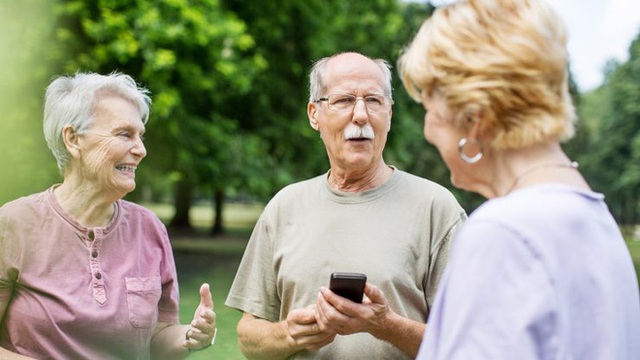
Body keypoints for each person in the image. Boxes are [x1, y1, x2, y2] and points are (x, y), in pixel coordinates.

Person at [397, 0, 640, 358]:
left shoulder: (504, 235)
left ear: (473, 117)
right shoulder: (595, 220)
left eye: (430, 108)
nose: (428, 129)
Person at [225, 52, 467, 359]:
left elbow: (468, 343)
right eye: (344, 100)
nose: (362, 115)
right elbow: (249, 340)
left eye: (374, 101)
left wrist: (386, 325)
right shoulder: (284, 207)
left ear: (389, 114)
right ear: (314, 114)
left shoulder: (436, 208)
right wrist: (289, 334)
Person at [0, 72, 217, 359]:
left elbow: (159, 338)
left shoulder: (150, 229)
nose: (141, 150)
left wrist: (190, 335)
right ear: (73, 139)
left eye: (141, 136)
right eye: (124, 134)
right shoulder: (14, 224)